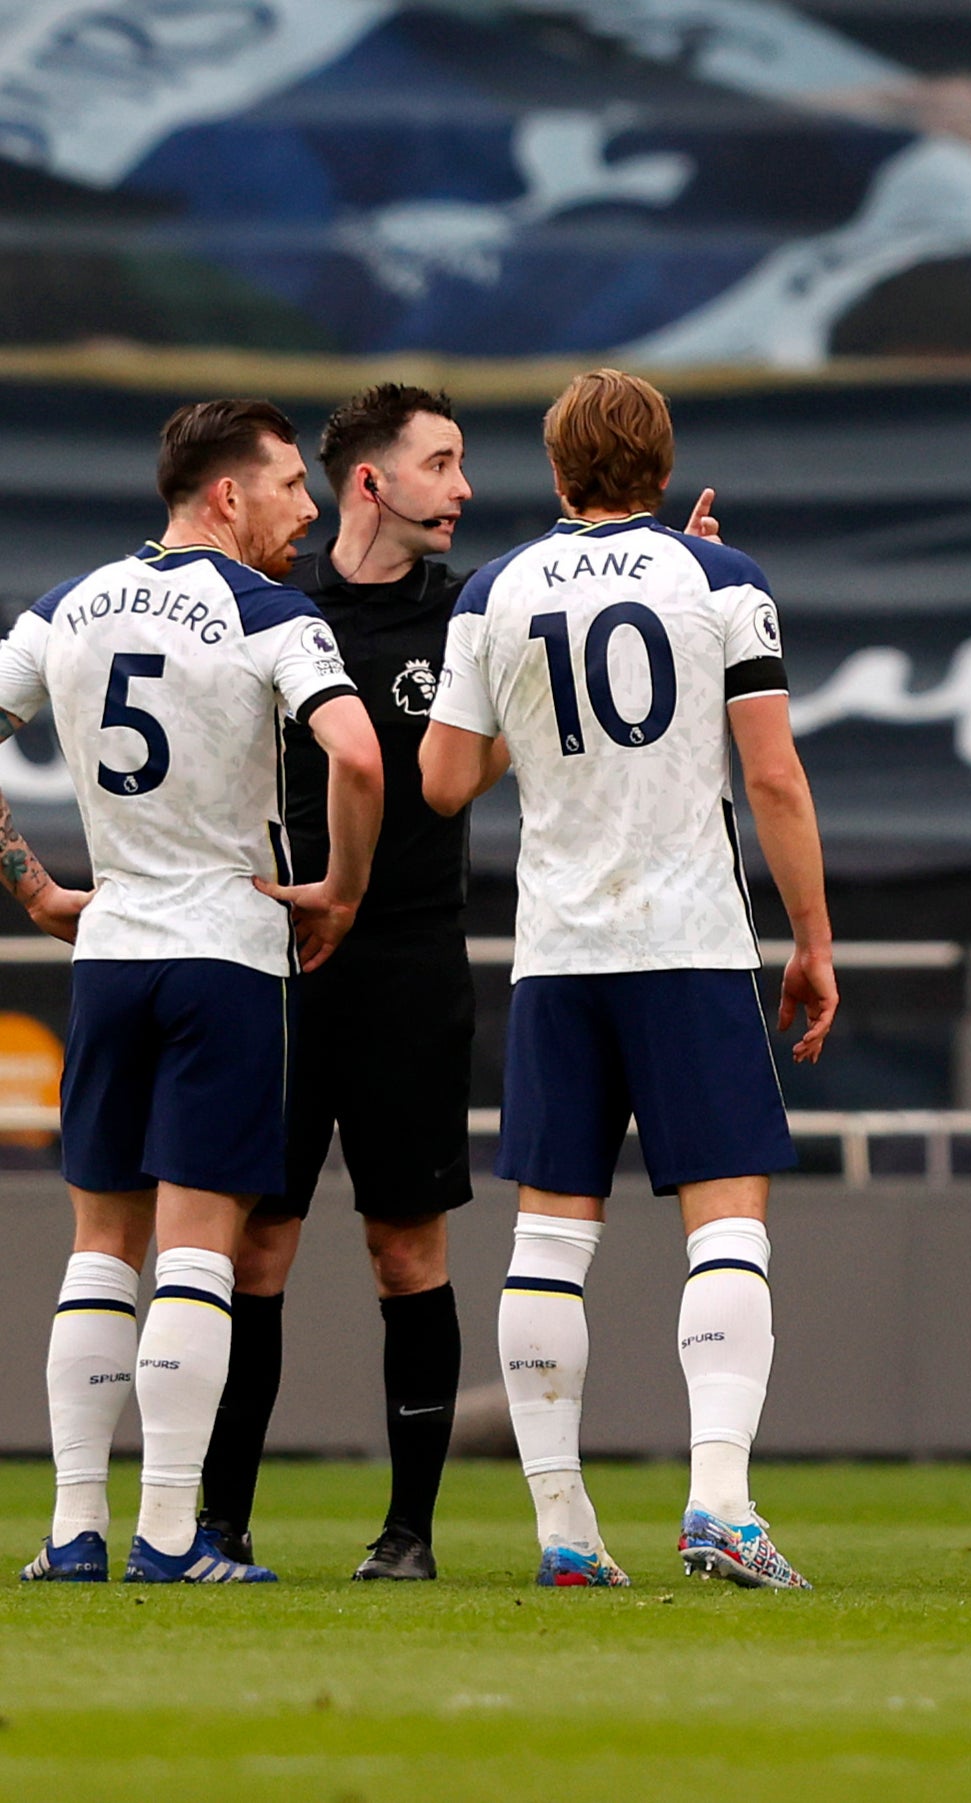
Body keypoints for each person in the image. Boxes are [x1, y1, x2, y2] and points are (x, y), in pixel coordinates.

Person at [195, 385, 728, 1583]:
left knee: (406, 1249)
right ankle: (219, 1526)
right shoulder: (274, 612)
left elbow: (479, 762)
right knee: (257, 1249)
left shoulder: (476, 611)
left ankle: (407, 1536)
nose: (465, 489)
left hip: (412, 962)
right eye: (441, 464)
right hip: (277, 959)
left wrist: (672, 591)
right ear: (369, 483)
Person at [420, 369, 838, 1590]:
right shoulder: (720, 578)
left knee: (549, 1239)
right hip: (691, 943)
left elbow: (445, 783)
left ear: (557, 473)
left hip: (559, 951)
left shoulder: (496, 590)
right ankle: (718, 1506)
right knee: (728, 1226)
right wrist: (810, 937)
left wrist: (528, 704)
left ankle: (561, 1530)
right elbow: (771, 779)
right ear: (661, 467)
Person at [10, 399, 383, 1583]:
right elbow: (360, 754)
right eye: (287, 486)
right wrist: (340, 891)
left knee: (98, 1247)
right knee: (200, 1251)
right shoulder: (270, 610)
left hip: (111, 945)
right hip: (226, 948)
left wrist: (32, 886)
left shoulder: (63, 606)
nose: (306, 510)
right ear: (225, 496)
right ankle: (171, 1533)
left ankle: (71, 1531)